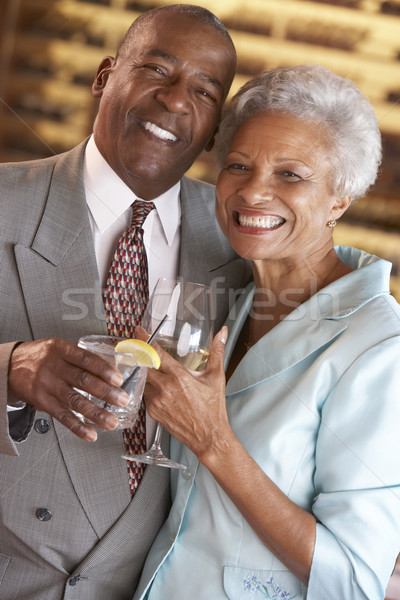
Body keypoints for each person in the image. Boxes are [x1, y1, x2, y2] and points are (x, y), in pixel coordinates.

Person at [0, 5, 250, 599]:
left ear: (214, 129)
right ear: (104, 75)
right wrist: (8, 368)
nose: (175, 100)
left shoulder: (242, 250)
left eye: (203, 90)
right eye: (157, 69)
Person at [133, 64, 400, 600]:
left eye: (290, 175)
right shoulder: (227, 297)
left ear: (339, 200)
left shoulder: (379, 348)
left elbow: (352, 581)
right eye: (238, 165)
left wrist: (214, 442)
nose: (253, 192)